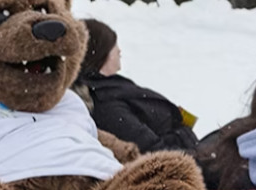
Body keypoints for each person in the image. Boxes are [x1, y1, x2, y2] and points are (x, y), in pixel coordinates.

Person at [75, 18, 200, 155]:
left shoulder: (107, 87)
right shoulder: (107, 105)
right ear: (100, 52)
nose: (119, 50)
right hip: (183, 161)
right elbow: (152, 150)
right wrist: (184, 137)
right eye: (113, 44)